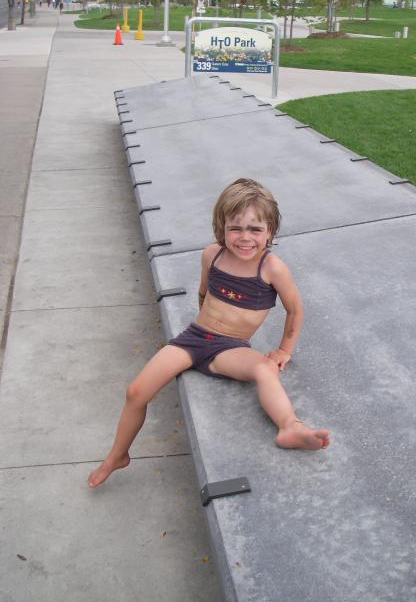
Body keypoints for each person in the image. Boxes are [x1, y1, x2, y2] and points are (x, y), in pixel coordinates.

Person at [88, 178, 330, 488]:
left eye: (255, 229)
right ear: (221, 227)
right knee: (136, 392)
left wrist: (284, 349)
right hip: (193, 338)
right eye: (235, 228)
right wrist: (206, 322)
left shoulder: (272, 268)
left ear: (270, 231)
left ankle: (289, 426)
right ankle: (118, 455)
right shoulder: (212, 254)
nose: (245, 237)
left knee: (264, 368)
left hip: (230, 349)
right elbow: (204, 293)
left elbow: (295, 309)